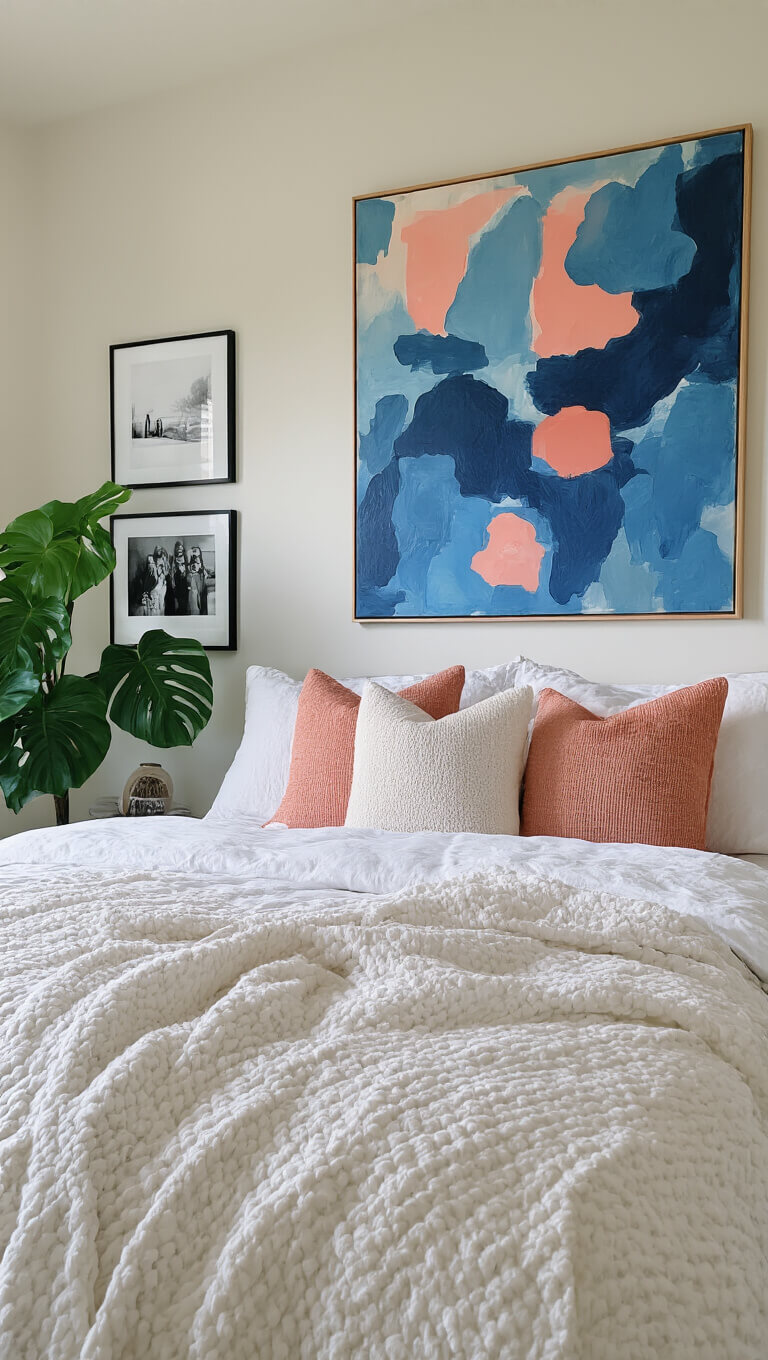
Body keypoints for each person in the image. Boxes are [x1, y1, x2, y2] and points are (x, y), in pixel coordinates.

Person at [169, 540, 190, 615]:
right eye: (178, 549)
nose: (180, 550)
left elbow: (188, 569)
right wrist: (173, 582)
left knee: (185, 599)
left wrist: (184, 571)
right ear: (176, 549)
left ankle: (184, 611)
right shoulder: (173, 559)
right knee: (178, 599)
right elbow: (171, 571)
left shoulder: (185, 557)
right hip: (177, 581)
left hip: (184, 582)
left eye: (181, 548)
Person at [187, 545, 209, 615]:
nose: (196, 556)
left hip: (200, 583)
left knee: (201, 602)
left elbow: (204, 573)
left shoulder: (200, 564)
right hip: (194, 582)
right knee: (194, 604)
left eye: (198, 555)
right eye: (194, 553)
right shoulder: (190, 562)